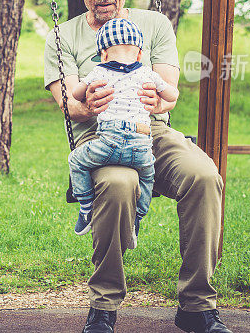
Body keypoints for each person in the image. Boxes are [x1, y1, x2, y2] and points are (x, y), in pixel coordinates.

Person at [44, 0, 232, 333]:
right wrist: (84, 105)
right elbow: (67, 99)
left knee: (204, 176)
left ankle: (197, 306)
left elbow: (167, 93)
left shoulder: (154, 24)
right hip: (100, 138)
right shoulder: (65, 36)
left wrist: (155, 97)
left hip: (153, 132)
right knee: (116, 184)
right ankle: (104, 307)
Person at [68, 18, 179, 240]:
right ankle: (136, 219)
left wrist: (85, 86)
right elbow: (173, 95)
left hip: (108, 144)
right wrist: (159, 97)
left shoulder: (99, 72)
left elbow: (76, 95)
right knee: (148, 178)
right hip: (141, 146)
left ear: (104, 54)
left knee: (76, 160)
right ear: (139, 54)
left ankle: (86, 207)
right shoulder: (148, 74)